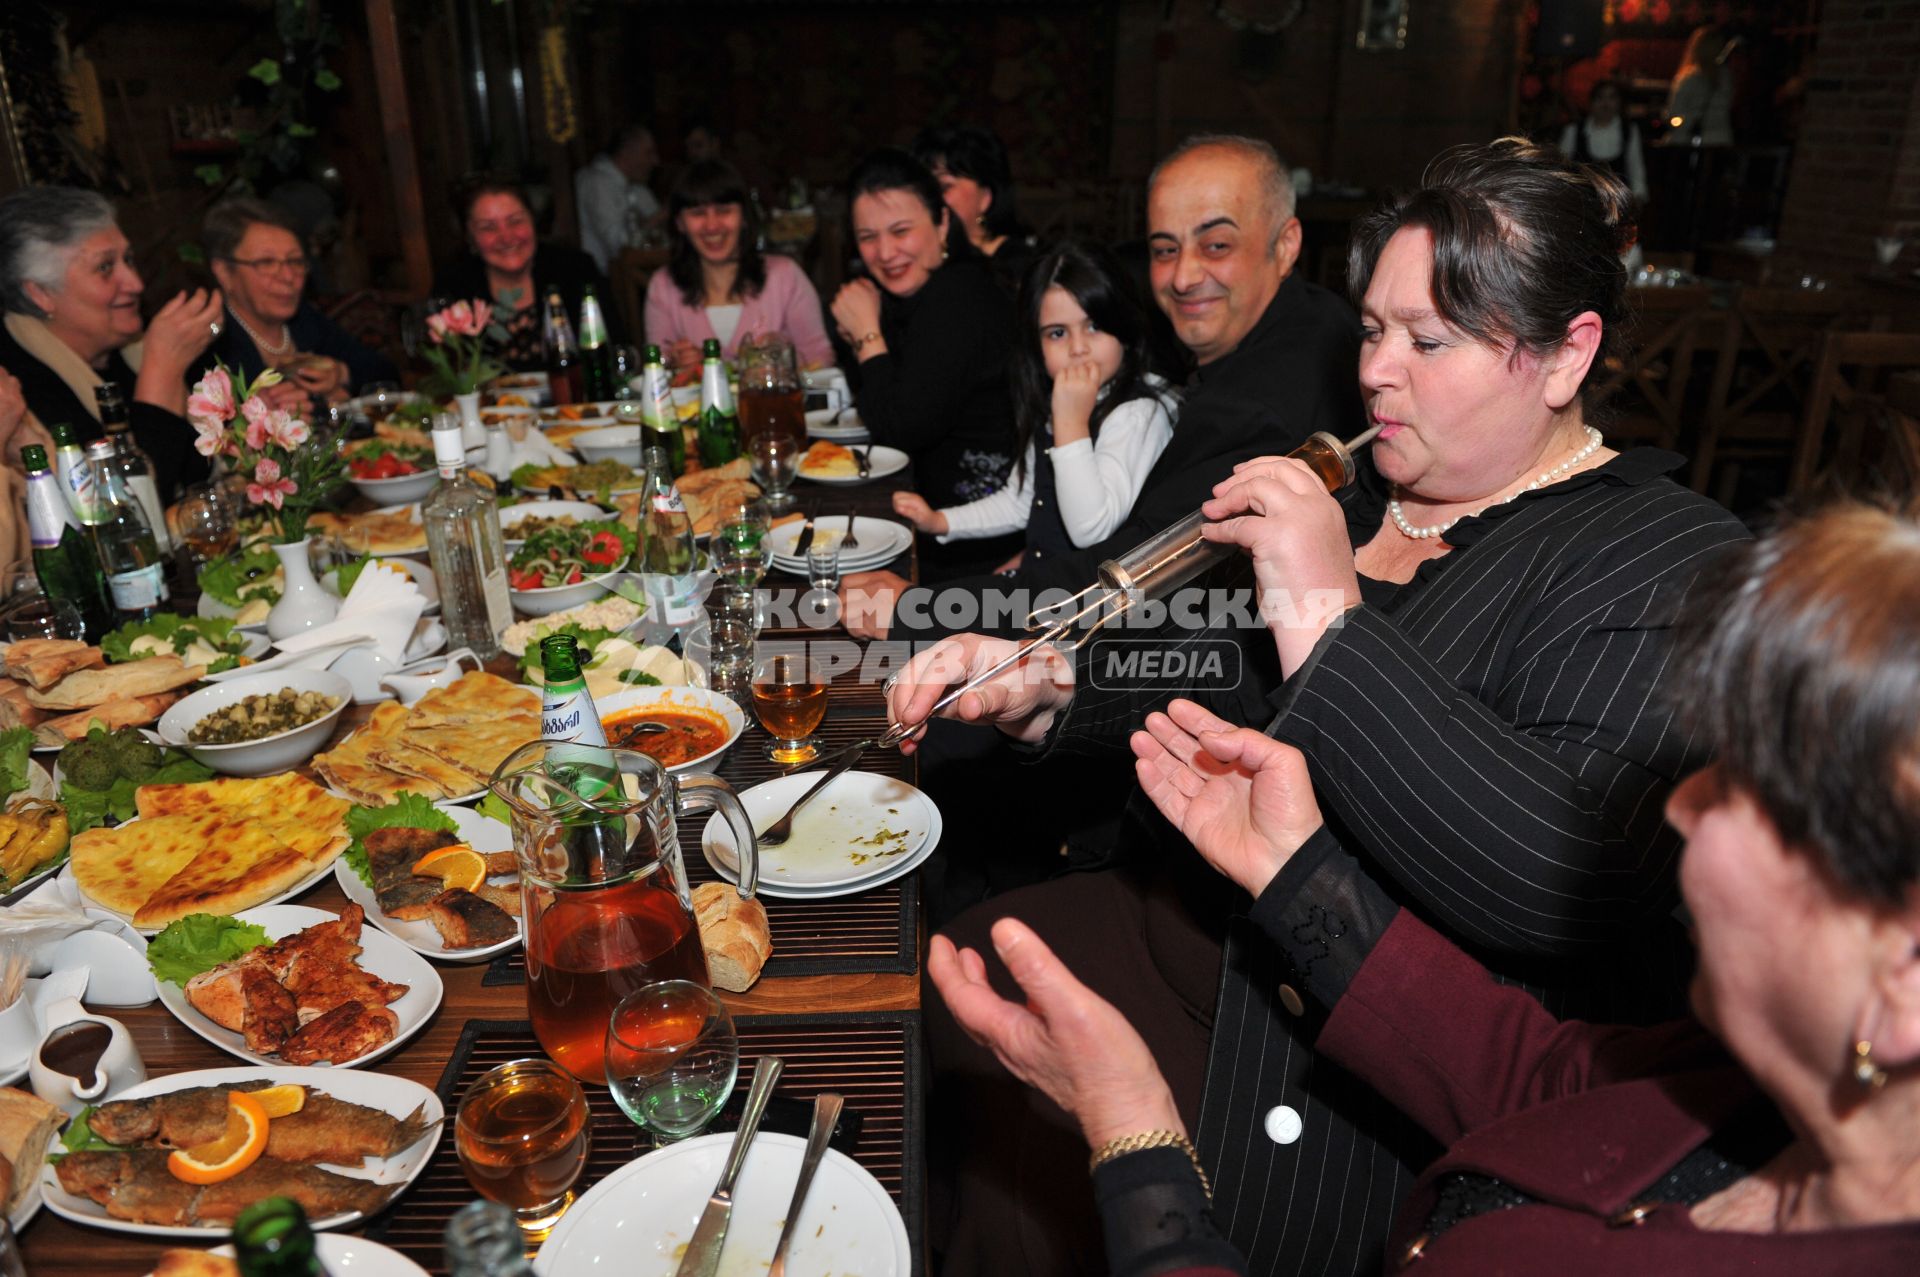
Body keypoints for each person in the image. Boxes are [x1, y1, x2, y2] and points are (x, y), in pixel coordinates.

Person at [889, 137, 1749, 1275]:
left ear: (1563, 354)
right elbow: (1223, 676)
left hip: (1327, 1071)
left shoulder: (1666, 557)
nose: (1378, 372)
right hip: (1186, 934)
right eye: (1377, 330)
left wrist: (1327, 614)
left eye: (1429, 341)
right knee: (930, 987)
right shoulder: (1374, 494)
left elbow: (1556, 871)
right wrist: (1051, 687)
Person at [933, 500, 1920, 1274]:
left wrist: (1135, 1137)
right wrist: (1298, 871)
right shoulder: (1767, 1103)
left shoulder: (1622, 548)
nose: (1685, 802)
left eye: (1749, 786)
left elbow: (1541, 870)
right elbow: (1550, 1083)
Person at [842, 134, 1363, 637]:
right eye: (1165, 249)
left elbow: (1128, 580)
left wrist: (922, 609)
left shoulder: (1261, 398)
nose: (1183, 276)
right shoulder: (1308, 322)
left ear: (1286, 243)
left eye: (1216, 244)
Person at [893, 241, 1175, 561]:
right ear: (1037, 348)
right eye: (1057, 333)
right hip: (1047, 586)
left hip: (1097, 603)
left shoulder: (1136, 415)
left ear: (1123, 329)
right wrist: (941, 521)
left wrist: (1070, 423)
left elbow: (1091, 528)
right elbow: (1022, 500)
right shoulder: (1058, 402)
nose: (1078, 348)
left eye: (1094, 326)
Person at [829, 148, 1019, 549]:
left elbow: (899, 430)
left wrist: (866, 334)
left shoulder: (958, 295)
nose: (884, 253)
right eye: (868, 237)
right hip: (924, 513)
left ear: (942, 221)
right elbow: (874, 399)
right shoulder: (909, 299)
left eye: (900, 231)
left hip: (973, 534)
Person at [0, 186, 219, 499]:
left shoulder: (127, 354)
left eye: (128, 260)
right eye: (105, 267)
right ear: (41, 294)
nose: (135, 284)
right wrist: (162, 372)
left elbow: (201, 476)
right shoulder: (16, 387)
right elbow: (125, 509)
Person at [199, 198, 398, 411]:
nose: (287, 276)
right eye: (266, 263)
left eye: (295, 261)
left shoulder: (304, 320)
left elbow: (386, 375)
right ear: (224, 272)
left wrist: (340, 374)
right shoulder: (210, 342)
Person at [643, 159, 833, 369]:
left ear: (743, 216)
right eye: (698, 213)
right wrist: (673, 362)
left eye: (724, 211)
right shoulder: (663, 286)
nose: (712, 226)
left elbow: (820, 357)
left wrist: (781, 357)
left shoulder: (784, 276)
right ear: (679, 223)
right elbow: (656, 368)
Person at [431, 176, 618, 372]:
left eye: (515, 221)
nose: (506, 237)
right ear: (469, 237)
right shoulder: (454, 283)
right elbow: (447, 372)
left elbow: (613, 348)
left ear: (534, 222)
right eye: (488, 227)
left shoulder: (575, 269)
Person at [912, 125, 1039, 292]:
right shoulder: (910, 259)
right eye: (923, 188)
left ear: (985, 198)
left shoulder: (1019, 266)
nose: (930, 198)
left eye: (944, 187)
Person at [575, 124, 663, 272]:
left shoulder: (636, 187)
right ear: (627, 153)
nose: (655, 161)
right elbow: (619, 247)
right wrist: (658, 219)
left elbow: (661, 234)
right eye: (648, 153)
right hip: (603, 280)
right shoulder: (597, 183)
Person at [1559, 79, 1648, 201]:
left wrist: (1639, 195)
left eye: (1612, 97)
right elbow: (1562, 166)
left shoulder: (1629, 130)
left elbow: (1635, 166)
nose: (1605, 104)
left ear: (1619, 102)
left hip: (1618, 201)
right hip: (1582, 201)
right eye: (1600, 98)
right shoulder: (1573, 130)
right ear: (1591, 102)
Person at [1661, 25, 1737, 147]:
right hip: (1721, 140)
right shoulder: (1726, 78)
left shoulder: (1689, 79)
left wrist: (1681, 121)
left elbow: (1674, 115)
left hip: (1689, 142)